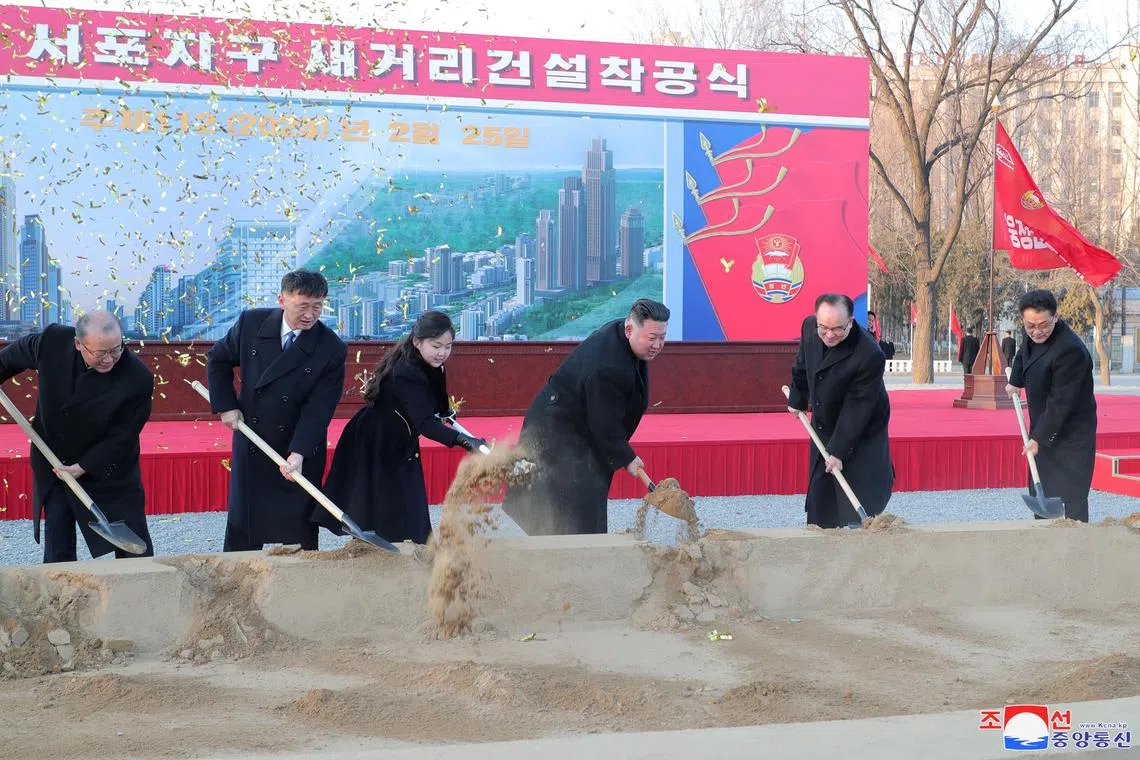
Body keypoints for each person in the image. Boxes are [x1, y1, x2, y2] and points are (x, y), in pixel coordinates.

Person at [206, 269, 347, 551]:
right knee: (246, 521)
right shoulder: (251, 323)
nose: (310, 314)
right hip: (253, 437)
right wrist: (226, 406)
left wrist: (299, 452)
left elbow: (319, 407)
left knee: (297, 524)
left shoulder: (330, 347)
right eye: (302, 306)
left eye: (317, 306)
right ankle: (239, 581)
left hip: (298, 443)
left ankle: (297, 583)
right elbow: (217, 360)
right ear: (282, 299)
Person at [316, 311, 485, 544]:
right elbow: (426, 424)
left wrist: (446, 412)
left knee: (410, 500)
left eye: (448, 346)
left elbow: (437, 394)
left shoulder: (433, 364)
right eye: (436, 346)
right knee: (381, 500)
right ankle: (384, 552)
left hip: (401, 434)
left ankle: (414, 547)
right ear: (417, 342)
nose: (442, 353)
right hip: (376, 438)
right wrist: (466, 442)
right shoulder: (406, 371)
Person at [502, 298, 669, 535]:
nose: (658, 344)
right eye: (652, 338)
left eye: (662, 337)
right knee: (572, 497)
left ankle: (579, 550)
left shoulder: (620, 334)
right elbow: (604, 423)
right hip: (557, 431)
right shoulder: (608, 367)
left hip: (579, 425)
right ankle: (572, 556)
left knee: (586, 494)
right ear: (630, 328)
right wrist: (627, 457)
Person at [0, 311, 155, 563]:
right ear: (78, 344)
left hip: (107, 465)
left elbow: (122, 437)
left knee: (133, 544)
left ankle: (139, 589)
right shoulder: (52, 341)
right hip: (56, 461)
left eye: (116, 349)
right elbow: (12, 356)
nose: (110, 359)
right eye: (100, 353)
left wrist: (84, 466)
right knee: (58, 536)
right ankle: (60, 592)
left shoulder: (137, 378)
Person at [787, 293, 893, 529]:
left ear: (851, 322)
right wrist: (798, 398)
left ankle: (858, 538)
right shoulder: (809, 328)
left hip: (863, 427)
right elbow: (802, 365)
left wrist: (838, 451)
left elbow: (858, 407)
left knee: (858, 490)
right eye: (824, 328)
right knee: (821, 492)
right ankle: (821, 534)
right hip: (825, 419)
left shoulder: (869, 354)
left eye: (837, 329)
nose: (829, 334)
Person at [1006, 289, 1096, 522]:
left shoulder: (1070, 351)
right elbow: (1022, 354)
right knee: (1043, 489)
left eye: (1044, 325)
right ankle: (1044, 546)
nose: (1037, 331)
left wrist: (1038, 437)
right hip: (1045, 426)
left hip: (1070, 433)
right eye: (1030, 325)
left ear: (1056, 316)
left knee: (1069, 498)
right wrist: (1015, 382)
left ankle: (1075, 550)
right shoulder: (1033, 332)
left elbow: (1061, 402)